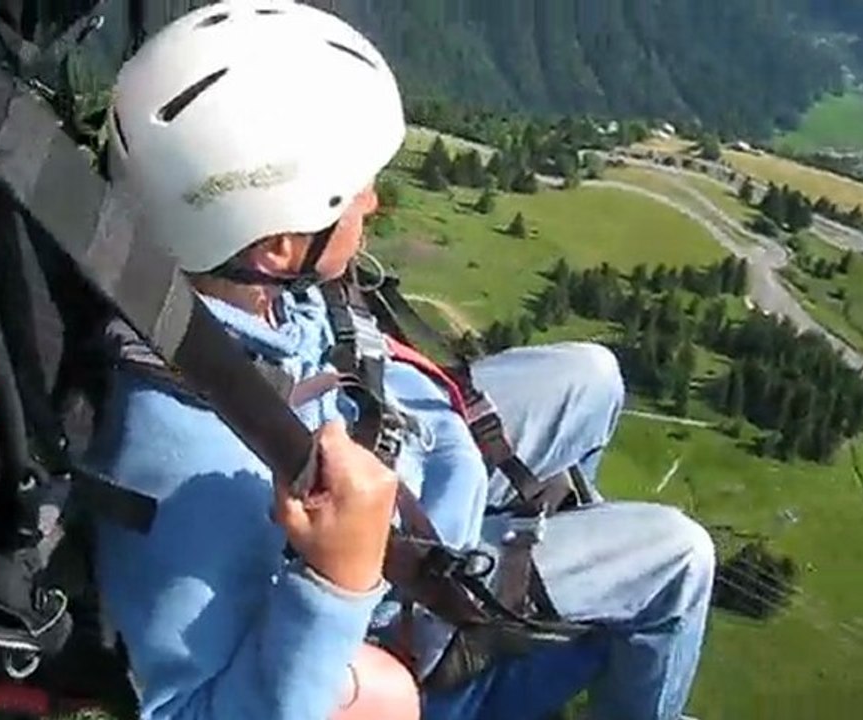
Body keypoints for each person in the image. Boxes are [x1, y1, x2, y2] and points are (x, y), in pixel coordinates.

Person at [86, 3, 716, 720]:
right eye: (351, 193)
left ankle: (537, 620)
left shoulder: (229, 295)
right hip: (396, 601)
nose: (373, 202)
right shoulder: (184, 464)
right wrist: (337, 583)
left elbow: (323, 372)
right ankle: (488, 670)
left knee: (588, 378)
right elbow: (182, 710)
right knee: (677, 559)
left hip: (405, 479)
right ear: (277, 245)